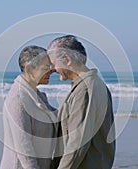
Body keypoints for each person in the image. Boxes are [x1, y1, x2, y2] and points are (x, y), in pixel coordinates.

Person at [47, 35, 116, 169]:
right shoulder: (87, 85)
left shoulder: (86, 89)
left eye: (54, 64)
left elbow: (77, 143)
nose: (53, 69)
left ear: (67, 60)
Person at [0, 45, 57, 169]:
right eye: (46, 68)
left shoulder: (36, 96)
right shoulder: (18, 100)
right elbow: (24, 149)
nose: (51, 72)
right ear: (29, 69)